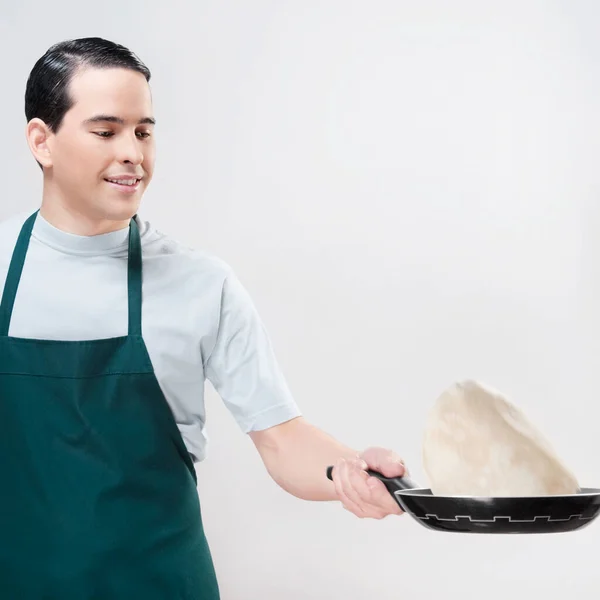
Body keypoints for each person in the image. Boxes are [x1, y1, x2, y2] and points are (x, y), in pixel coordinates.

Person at [0, 37, 408, 598]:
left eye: (143, 131)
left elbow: (283, 439)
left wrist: (349, 470)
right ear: (41, 141)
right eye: (106, 131)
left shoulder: (200, 285)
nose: (133, 154)